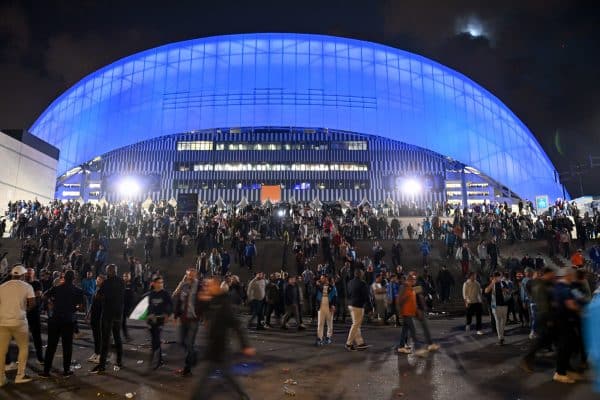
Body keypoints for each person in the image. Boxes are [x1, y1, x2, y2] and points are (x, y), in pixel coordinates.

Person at [190, 277, 255, 400]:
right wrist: (201, 300)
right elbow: (199, 311)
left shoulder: (225, 303)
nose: (206, 288)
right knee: (213, 377)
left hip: (221, 348)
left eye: (209, 285)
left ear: (216, 286)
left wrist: (245, 345)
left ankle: (243, 396)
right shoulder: (210, 301)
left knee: (224, 376)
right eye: (205, 285)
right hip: (211, 347)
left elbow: (237, 325)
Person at [40, 269, 85, 377]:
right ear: (74, 279)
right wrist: (75, 308)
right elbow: (81, 307)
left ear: (64, 278)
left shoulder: (57, 288)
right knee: (67, 346)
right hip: (69, 320)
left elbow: (43, 296)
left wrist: (51, 303)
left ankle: (46, 371)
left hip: (55, 319)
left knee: (51, 346)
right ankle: (66, 371)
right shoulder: (78, 291)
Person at [0, 265, 35, 386]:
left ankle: (1, 378)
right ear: (23, 275)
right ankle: (20, 375)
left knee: (1, 351)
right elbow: (32, 303)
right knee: (23, 348)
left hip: (3, 321)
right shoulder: (27, 286)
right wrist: (23, 310)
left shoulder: (2, 287)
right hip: (20, 321)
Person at [92, 264, 125, 373]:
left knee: (105, 340)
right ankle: (119, 361)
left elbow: (97, 296)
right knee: (117, 337)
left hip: (107, 314)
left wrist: (100, 289)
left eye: (107, 271)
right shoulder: (121, 282)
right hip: (118, 314)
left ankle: (102, 365)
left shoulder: (106, 283)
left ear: (109, 271)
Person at [172, 268, 202, 376]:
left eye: (193, 275)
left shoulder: (199, 286)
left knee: (189, 344)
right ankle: (195, 353)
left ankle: (187, 369)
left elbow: (203, 302)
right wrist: (175, 315)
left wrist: (200, 314)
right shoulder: (183, 285)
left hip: (193, 319)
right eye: (189, 275)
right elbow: (178, 300)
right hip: (183, 318)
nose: (191, 277)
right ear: (186, 275)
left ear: (196, 276)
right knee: (180, 341)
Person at [146, 276, 173, 369]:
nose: (160, 284)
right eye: (158, 282)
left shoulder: (165, 294)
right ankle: (159, 359)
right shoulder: (151, 294)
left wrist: (167, 315)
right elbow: (150, 306)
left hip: (160, 319)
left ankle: (155, 360)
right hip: (152, 320)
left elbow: (171, 305)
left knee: (156, 339)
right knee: (154, 339)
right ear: (154, 283)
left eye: (162, 282)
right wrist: (149, 315)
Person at [345, 270, 370, 351]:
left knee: (356, 324)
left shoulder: (350, 282)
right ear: (361, 275)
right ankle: (349, 343)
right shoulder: (362, 283)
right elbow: (366, 295)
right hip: (358, 305)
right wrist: (369, 306)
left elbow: (348, 293)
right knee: (356, 324)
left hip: (351, 304)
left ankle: (360, 343)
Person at [24, 267, 44, 364]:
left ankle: (40, 357)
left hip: (34, 313)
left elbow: (38, 294)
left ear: (33, 274)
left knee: (36, 336)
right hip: (23, 313)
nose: (28, 274)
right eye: (27, 273)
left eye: (30, 273)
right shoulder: (22, 284)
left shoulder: (37, 283)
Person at [485, 271, 509, 345]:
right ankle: (500, 338)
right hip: (495, 306)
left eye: (499, 276)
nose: (498, 278)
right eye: (496, 276)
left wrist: (505, 290)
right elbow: (486, 291)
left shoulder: (503, 283)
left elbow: (508, 291)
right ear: (493, 277)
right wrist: (492, 283)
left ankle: (502, 336)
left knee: (504, 322)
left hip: (504, 305)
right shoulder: (492, 284)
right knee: (498, 322)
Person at [86, 274, 105, 364]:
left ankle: (99, 355)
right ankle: (96, 353)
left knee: (98, 336)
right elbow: (93, 304)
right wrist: (88, 314)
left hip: (99, 317)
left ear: (103, 281)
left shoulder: (103, 291)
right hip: (94, 316)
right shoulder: (97, 289)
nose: (97, 281)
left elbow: (103, 306)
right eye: (97, 279)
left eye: (99, 280)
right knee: (95, 336)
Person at [315, 274, 337, 346]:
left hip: (329, 307)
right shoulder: (318, 287)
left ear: (326, 279)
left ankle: (328, 337)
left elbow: (335, 297)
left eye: (322, 278)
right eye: (320, 278)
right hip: (321, 307)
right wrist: (316, 285)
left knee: (329, 323)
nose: (321, 279)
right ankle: (320, 338)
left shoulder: (332, 287)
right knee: (320, 323)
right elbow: (313, 294)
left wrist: (333, 305)